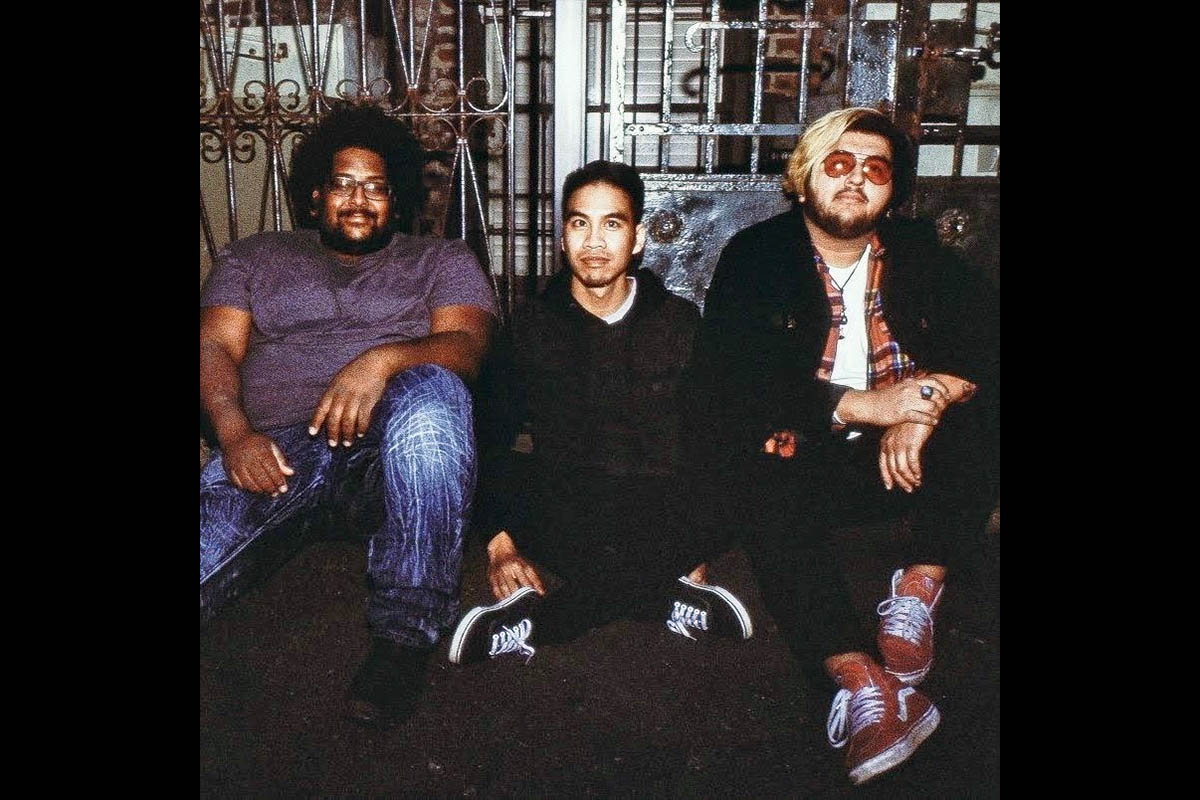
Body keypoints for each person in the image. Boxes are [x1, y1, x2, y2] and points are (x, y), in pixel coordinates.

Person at [688, 107, 998, 784]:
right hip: (809, 459)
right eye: (838, 163)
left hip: (906, 461)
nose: (856, 178)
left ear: (892, 190)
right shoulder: (758, 256)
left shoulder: (917, 251)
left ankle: (921, 582)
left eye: (875, 169)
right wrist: (863, 405)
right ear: (805, 177)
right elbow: (732, 381)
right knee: (759, 462)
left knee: (982, 410)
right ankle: (858, 678)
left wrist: (926, 402)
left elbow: (987, 338)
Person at [199, 104, 498, 727]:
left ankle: (405, 634)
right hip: (278, 451)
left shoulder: (442, 260)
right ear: (315, 196)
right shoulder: (254, 257)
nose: (359, 201)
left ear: (397, 198)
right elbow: (214, 347)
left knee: (433, 390)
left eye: (376, 188)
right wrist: (235, 434)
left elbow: (467, 348)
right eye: (343, 184)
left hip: (394, 457)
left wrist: (382, 361)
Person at [447, 160, 751, 667]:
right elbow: (490, 434)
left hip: (658, 495)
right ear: (563, 238)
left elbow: (711, 435)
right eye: (579, 223)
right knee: (525, 482)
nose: (594, 241)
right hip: (569, 497)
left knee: (741, 477)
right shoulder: (531, 326)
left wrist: (693, 541)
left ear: (637, 238)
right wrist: (501, 545)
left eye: (612, 223)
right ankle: (664, 595)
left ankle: (535, 623)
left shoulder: (678, 322)